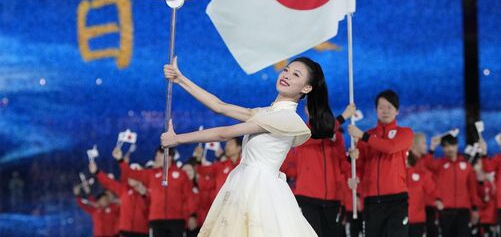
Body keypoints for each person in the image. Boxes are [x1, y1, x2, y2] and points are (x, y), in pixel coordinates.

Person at [161, 56, 336, 236]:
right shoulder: (265, 113)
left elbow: (225, 133)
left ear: (306, 88)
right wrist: (180, 79)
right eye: (286, 70)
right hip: (244, 182)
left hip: (260, 189)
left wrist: (177, 139)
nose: (286, 75)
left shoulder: (286, 118)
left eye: (295, 74)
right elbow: (219, 106)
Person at [347, 89, 414, 237]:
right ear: (376, 110)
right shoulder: (367, 136)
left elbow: (390, 148)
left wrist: (363, 136)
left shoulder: (405, 133)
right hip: (371, 201)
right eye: (381, 107)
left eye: (389, 107)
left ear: (397, 111)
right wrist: (354, 176)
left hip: (396, 200)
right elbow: (359, 165)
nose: (385, 111)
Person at [282, 103, 356, 237]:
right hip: (308, 197)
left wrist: (350, 160)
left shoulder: (336, 135)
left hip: (333, 198)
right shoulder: (301, 131)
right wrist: (344, 116)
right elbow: (319, 134)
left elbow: (341, 163)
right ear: (306, 110)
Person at [121, 146, 196, 237]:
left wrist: (192, 215)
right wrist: (120, 161)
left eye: (159, 155)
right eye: (156, 156)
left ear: (169, 157)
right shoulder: (151, 174)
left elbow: (189, 196)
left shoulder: (181, 175)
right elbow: (132, 173)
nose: (156, 158)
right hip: (156, 221)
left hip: (176, 220)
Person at [425, 133, 481, 237]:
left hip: (463, 211)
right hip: (446, 211)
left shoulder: (466, 165)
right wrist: (432, 147)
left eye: (452, 145)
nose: (450, 149)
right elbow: (427, 164)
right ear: (442, 148)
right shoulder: (439, 164)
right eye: (446, 146)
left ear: (457, 145)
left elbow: (472, 188)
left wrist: (474, 209)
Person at [89, 148, 150, 237]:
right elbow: (109, 183)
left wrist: (144, 194)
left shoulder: (148, 190)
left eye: (135, 174)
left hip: (142, 231)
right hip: (125, 231)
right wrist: (97, 172)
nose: (132, 177)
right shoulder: (124, 189)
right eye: (131, 175)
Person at [412, 133, 439, 237]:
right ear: (415, 145)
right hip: (414, 208)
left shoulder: (425, 160)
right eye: (424, 143)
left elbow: (430, 164)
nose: (426, 146)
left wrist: (432, 148)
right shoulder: (408, 162)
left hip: (428, 206)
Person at [407, 151, 436, 237]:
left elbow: (432, 192)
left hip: (416, 220)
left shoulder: (422, 175)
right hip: (398, 219)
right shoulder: (394, 176)